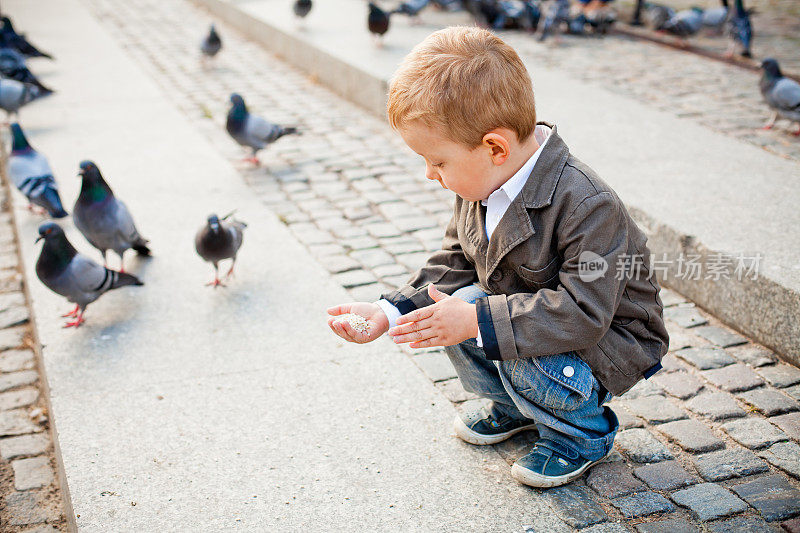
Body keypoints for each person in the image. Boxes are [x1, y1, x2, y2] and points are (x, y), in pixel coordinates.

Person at [327, 26, 668, 488]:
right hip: (532, 313)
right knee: (446, 309)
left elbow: (584, 313)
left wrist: (477, 320)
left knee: (483, 321)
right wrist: (389, 311)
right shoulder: (480, 181)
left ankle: (582, 434)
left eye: (438, 161)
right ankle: (517, 407)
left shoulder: (588, 205)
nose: (429, 174)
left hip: (604, 341)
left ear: (494, 147)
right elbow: (455, 260)